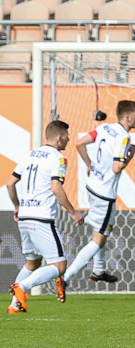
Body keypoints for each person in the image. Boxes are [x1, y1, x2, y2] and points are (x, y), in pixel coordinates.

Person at [6, 120, 84, 313]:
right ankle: (22, 286)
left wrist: (17, 206)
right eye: (66, 136)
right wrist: (73, 212)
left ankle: (14, 305)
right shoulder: (58, 159)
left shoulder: (29, 156)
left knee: (32, 263)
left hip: (24, 218)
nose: (68, 140)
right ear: (59, 138)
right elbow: (56, 188)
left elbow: (10, 183)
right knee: (59, 266)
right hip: (42, 219)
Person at [63, 100, 135, 285]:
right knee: (98, 239)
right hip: (104, 193)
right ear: (127, 117)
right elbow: (117, 167)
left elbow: (79, 143)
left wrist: (89, 164)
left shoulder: (105, 128)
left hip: (92, 186)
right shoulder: (124, 137)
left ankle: (98, 270)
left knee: (104, 228)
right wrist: (131, 154)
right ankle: (65, 277)